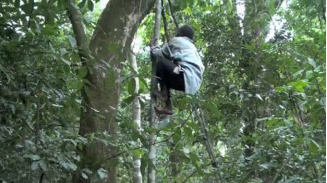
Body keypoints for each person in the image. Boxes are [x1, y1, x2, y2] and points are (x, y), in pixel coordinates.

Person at [150, 25, 205, 115]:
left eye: (178, 32)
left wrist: (153, 48)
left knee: (161, 62)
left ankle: (164, 94)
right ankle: (168, 107)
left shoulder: (178, 40)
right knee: (167, 73)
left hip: (184, 76)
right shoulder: (192, 48)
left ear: (181, 34)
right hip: (190, 84)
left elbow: (160, 53)